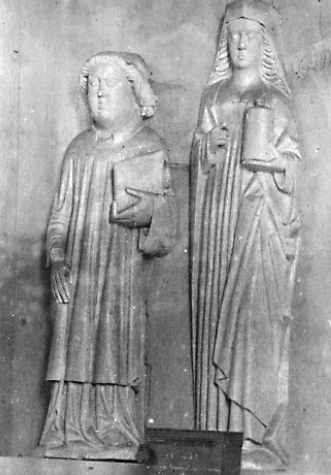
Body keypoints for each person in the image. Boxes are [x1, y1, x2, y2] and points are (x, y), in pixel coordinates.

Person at [38, 51, 177, 460]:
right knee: (72, 343)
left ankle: (113, 427)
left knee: (114, 344)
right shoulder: (78, 150)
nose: (98, 92)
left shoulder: (149, 146)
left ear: (134, 92)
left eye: (109, 83)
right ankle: (67, 427)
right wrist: (57, 257)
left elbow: (168, 223)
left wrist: (151, 212)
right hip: (79, 271)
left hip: (120, 270)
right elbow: (60, 216)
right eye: (93, 85)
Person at [191, 0, 300, 468]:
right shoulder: (213, 99)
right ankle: (218, 433)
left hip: (259, 225)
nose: (240, 43)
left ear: (264, 44)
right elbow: (198, 160)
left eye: (249, 35)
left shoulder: (276, 101)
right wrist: (207, 148)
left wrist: (274, 162)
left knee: (253, 325)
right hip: (217, 226)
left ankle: (254, 438)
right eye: (233, 35)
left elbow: (294, 167)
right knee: (218, 319)